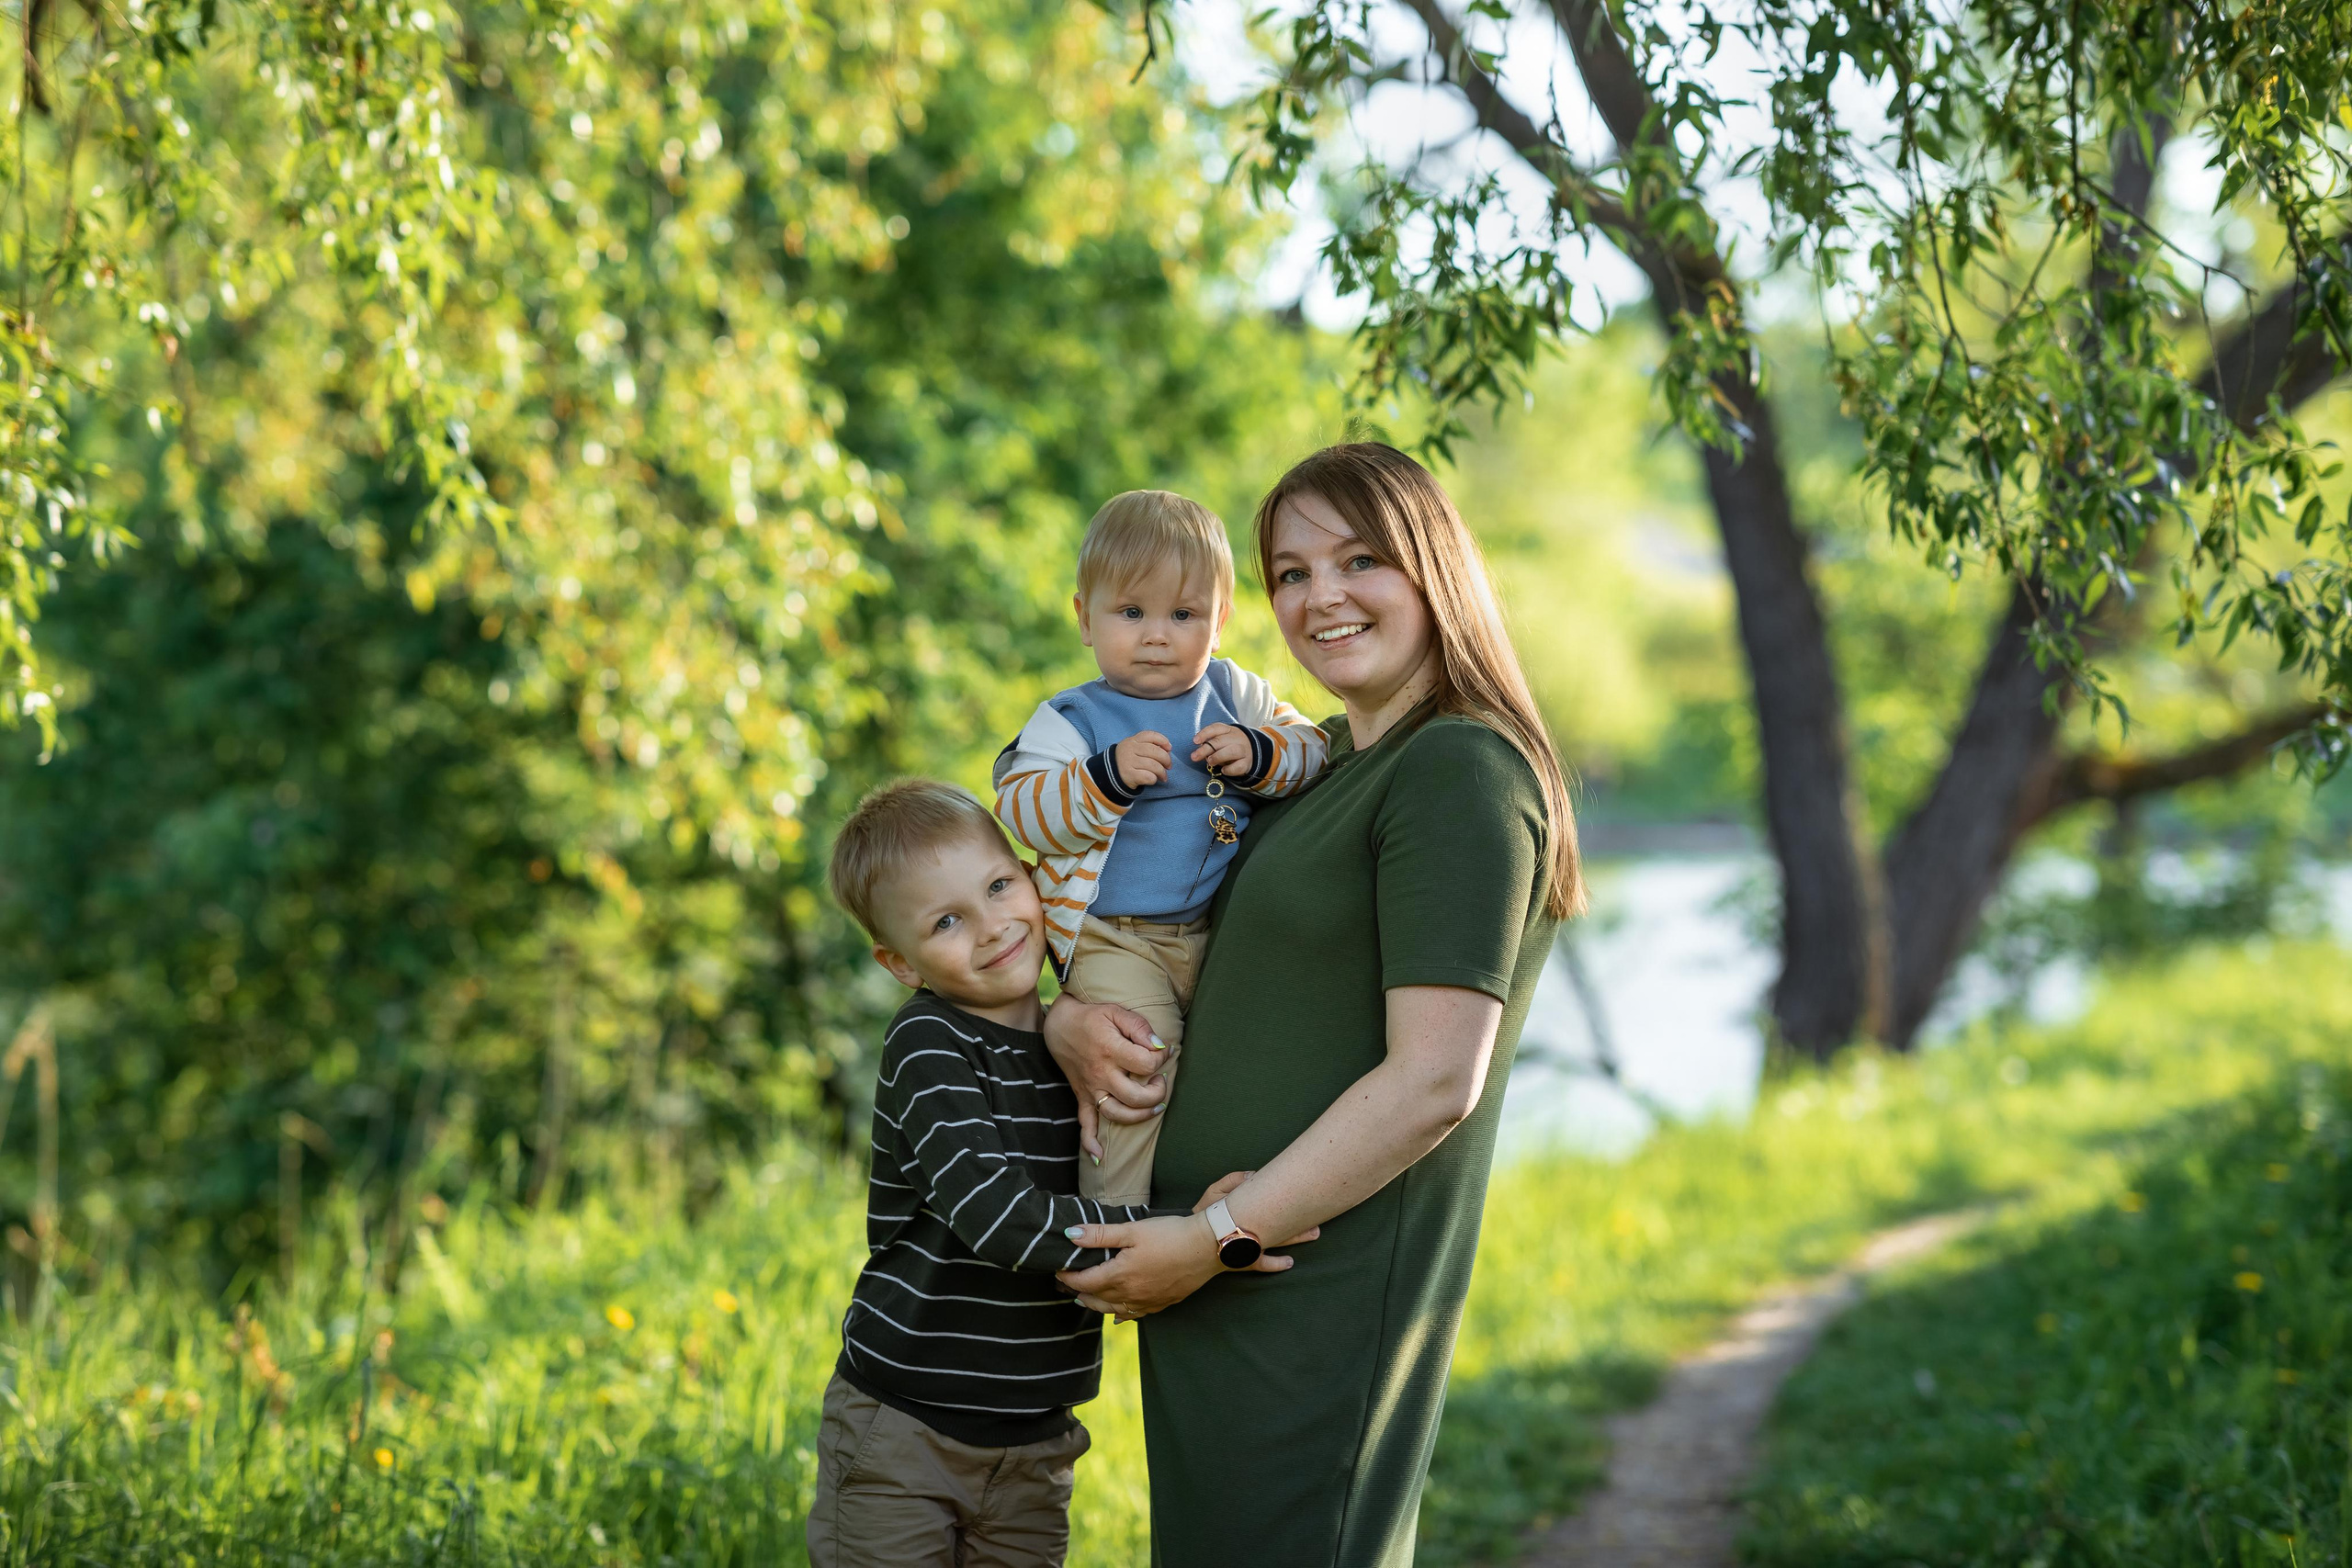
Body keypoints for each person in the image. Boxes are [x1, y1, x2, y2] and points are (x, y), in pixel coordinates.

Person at [1047, 445, 1586, 1565]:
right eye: (1289, 573)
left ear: (1434, 568)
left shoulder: (1458, 771)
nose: (1319, 597)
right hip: (1217, 1292)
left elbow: (1436, 1078)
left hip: (1306, 1294)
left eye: (1359, 560)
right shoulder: (1311, 759)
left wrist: (1216, 1237)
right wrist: (1068, 1019)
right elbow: (1175, 941)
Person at [808, 778, 1309, 1567]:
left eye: (1000, 885)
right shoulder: (931, 1044)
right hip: (906, 1425)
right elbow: (993, 1212)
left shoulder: (1074, 1039)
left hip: (1036, 1441)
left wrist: (1198, 1212)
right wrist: (1164, 1242)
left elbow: (1122, 1170)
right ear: (899, 963)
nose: (992, 926)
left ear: (1036, 876)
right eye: (946, 921)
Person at [993, 490, 1327, 1207]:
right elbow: (1023, 812)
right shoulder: (1072, 718)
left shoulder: (1234, 692)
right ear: (1085, 618)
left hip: (1212, 934)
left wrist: (1259, 752)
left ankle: (1213, 1205)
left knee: (1227, 1071)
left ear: (1221, 620)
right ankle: (1112, 1225)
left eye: (1183, 615)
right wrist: (1103, 778)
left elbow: (1313, 751)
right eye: (1131, 612)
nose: (1157, 635)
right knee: (1136, 1061)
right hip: (1115, 938)